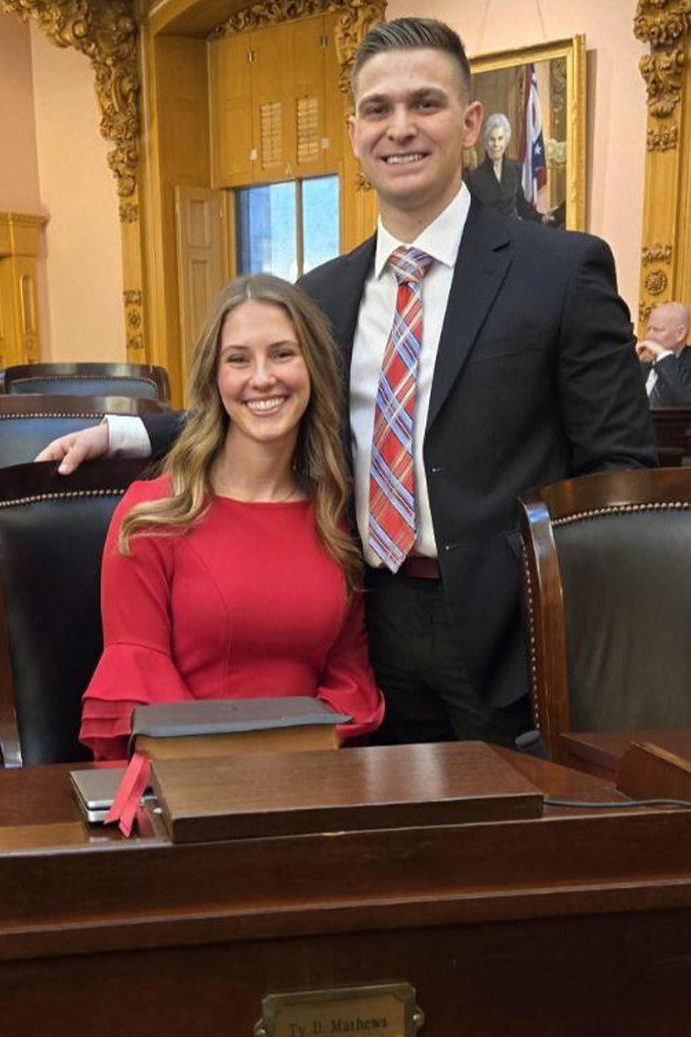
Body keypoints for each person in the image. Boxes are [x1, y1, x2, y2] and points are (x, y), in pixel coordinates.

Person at [39, 17, 656, 751]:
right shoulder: (324, 292)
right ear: (355, 133)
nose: (401, 128)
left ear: (468, 123)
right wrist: (126, 431)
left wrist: (579, 629)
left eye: (424, 104)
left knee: (511, 820)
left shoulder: (559, 270)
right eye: (378, 109)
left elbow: (620, 470)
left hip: (510, 633)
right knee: (379, 819)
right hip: (365, 619)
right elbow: (265, 400)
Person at [79, 274, 383, 760]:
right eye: (238, 359)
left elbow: (348, 678)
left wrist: (298, 766)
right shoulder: (151, 516)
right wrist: (243, 770)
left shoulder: (333, 517)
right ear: (214, 379)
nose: (262, 377)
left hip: (313, 775)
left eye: (282, 354)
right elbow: (141, 682)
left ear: (312, 369)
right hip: (185, 777)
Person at [466, 113, 548, 222]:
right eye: (492, 139)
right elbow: (472, 216)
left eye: (500, 139)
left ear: (506, 140)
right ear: (485, 142)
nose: (496, 144)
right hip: (489, 230)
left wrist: (541, 218)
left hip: (512, 229)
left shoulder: (516, 169)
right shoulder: (474, 178)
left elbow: (522, 206)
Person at [636, 301, 691, 405]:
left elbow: (687, 398)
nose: (648, 336)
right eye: (649, 329)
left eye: (657, 330)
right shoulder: (642, 363)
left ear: (680, 334)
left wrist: (663, 355)